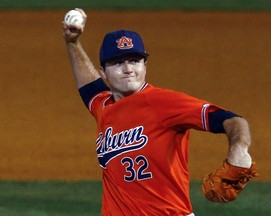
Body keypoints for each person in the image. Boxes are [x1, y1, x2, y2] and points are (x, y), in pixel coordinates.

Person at [63, 8, 257, 216]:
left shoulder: (164, 102)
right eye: (118, 62)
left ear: (145, 65)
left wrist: (239, 150)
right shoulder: (103, 106)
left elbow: (232, 120)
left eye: (135, 60)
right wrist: (72, 43)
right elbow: (88, 86)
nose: (128, 69)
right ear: (104, 72)